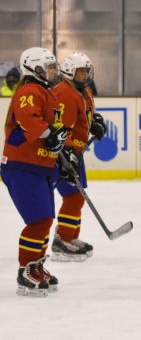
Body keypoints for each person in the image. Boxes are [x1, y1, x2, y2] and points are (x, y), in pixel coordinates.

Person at [1, 47, 68, 296]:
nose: (52, 71)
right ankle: (25, 270)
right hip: (23, 166)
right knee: (38, 221)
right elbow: (30, 120)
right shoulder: (29, 91)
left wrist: (63, 153)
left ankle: (37, 265)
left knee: (45, 220)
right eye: (48, 67)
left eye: (53, 67)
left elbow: (55, 126)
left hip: (40, 166)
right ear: (34, 68)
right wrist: (51, 135)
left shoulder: (46, 92)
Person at [50, 52, 106, 261]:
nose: (85, 74)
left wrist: (96, 122)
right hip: (62, 154)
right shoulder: (63, 93)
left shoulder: (83, 90)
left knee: (76, 197)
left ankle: (71, 237)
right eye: (81, 71)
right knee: (73, 197)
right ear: (69, 72)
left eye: (86, 70)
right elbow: (59, 128)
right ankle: (62, 241)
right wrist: (66, 152)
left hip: (75, 153)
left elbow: (85, 114)